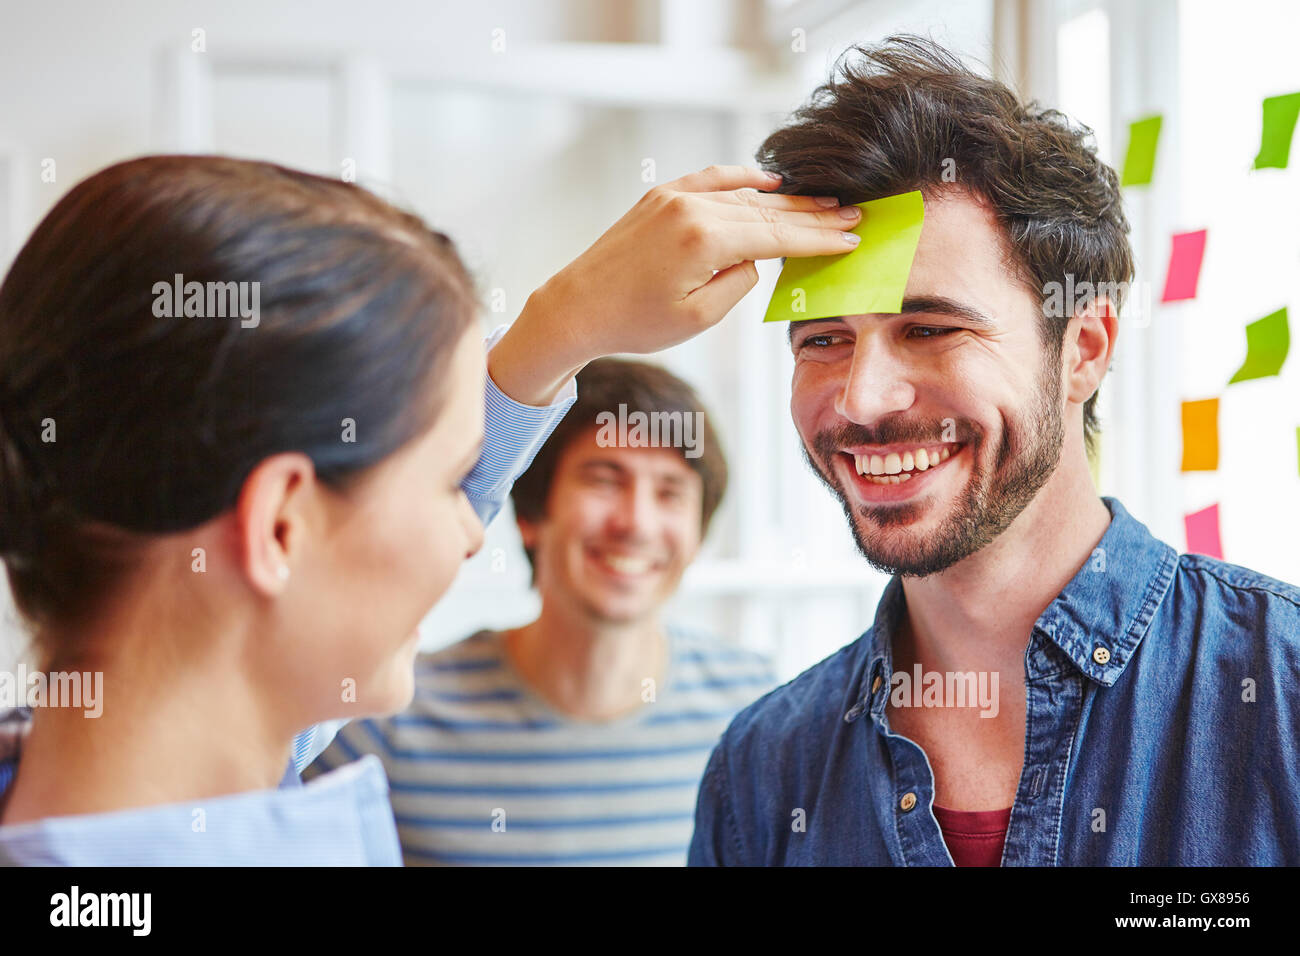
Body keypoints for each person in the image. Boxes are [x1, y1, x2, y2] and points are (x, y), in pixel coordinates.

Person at [0, 155, 860, 865]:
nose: (468, 528)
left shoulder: (144, 781)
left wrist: (566, 324)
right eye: (450, 482)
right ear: (281, 529)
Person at [688, 36, 1300, 866]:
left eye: (931, 328)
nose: (862, 399)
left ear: (1082, 348)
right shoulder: (762, 773)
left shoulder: (1282, 694)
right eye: (825, 338)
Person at [307, 358, 774, 865]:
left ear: (698, 532)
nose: (636, 523)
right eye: (604, 479)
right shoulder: (394, 713)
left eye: (669, 492)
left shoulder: (758, 712)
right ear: (530, 515)